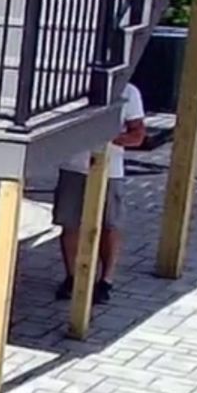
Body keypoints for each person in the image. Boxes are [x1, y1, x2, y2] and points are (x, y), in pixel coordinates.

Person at [54, 82, 147, 304]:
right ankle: (72, 277)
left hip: (110, 169)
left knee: (110, 226)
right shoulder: (69, 84)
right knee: (70, 224)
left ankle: (105, 281)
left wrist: (111, 138)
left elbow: (138, 134)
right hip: (72, 165)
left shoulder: (129, 91)